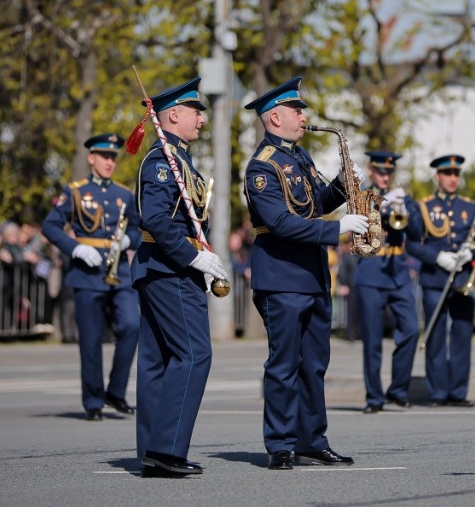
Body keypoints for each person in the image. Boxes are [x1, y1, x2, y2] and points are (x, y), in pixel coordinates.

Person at [244, 77, 367, 470]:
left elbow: (315, 203)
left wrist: (343, 185)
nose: (304, 116)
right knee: (284, 365)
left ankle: (312, 439)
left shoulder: (301, 159)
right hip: (281, 277)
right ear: (274, 117)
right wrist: (339, 229)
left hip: (312, 275)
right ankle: (280, 444)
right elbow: (281, 223)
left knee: (314, 364)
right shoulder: (261, 168)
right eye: (297, 110)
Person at [128, 77, 229, 478]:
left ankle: (153, 450)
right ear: (173, 115)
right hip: (169, 268)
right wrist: (192, 258)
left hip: (166, 265)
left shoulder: (180, 159)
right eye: (196, 111)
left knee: (159, 361)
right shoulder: (162, 161)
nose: (202, 119)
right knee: (193, 354)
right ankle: (167, 450)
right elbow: (153, 218)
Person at [42, 133, 141, 422]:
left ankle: (116, 391)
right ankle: (94, 400)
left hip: (119, 271)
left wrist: (127, 242)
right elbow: (50, 227)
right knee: (91, 340)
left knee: (132, 326)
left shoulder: (124, 194)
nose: (110, 162)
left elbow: (136, 230)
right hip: (87, 273)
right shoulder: (74, 191)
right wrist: (76, 249)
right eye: (104, 157)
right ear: (91, 158)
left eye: (113, 157)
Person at [406, 154, 475, 407]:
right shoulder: (423, 206)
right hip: (435, 278)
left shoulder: (470, 207)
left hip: (462, 279)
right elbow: (413, 245)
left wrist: (471, 252)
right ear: (437, 177)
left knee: (462, 334)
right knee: (435, 335)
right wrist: (438, 256)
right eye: (448, 174)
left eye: (456, 174)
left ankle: (458, 392)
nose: (452, 179)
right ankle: (437, 392)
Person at [355, 151, 423, 414]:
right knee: (372, 339)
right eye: (381, 171)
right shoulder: (361, 195)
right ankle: (374, 397)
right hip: (372, 270)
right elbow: (359, 222)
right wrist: (381, 205)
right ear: (372, 171)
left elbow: (417, 234)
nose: (385, 176)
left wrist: (407, 211)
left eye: (388, 172)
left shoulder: (402, 197)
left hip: (397, 272)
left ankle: (397, 389)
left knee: (412, 329)